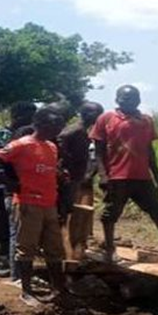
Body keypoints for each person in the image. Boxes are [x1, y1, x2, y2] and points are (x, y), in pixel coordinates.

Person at [0, 106, 67, 306]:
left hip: (49, 203)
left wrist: (59, 175)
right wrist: (9, 183)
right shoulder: (21, 144)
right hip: (28, 203)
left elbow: (47, 170)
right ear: (40, 124)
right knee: (26, 248)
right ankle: (26, 291)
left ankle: (58, 290)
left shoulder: (51, 147)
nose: (58, 130)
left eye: (60, 126)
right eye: (55, 125)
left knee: (54, 249)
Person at [91, 85, 158, 261]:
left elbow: (149, 150)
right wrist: (103, 175)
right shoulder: (106, 118)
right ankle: (109, 249)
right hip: (117, 176)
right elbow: (98, 151)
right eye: (125, 98)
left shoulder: (146, 120)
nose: (130, 101)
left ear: (139, 100)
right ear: (117, 99)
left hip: (142, 176)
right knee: (111, 213)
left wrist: (157, 175)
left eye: (134, 98)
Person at [0, 101, 37, 279]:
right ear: (17, 116)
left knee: (14, 226)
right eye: (29, 117)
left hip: (19, 188)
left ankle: (7, 257)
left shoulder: (28, 134)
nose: (32, 121)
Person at [58, 101, 104, 259]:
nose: (98, 116)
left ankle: (69, 249)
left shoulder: (84, 131)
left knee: (70, 212)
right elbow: (59, 146)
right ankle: (63, 251)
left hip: (76, 177)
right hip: (68, 178)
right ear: (83, 113)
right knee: (63, 213)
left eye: (99, 113)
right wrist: (64, 167)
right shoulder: (75, 130)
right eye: (95, 113)